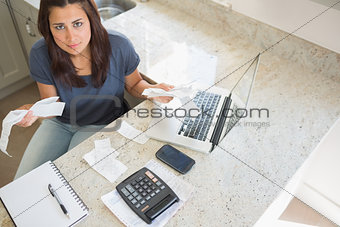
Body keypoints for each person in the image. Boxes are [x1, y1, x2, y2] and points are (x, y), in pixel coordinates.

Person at [14, 0, 173, 178]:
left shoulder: (119, 45)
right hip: (60, 124)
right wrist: (34, 111)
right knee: (22, 181)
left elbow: (135, 84)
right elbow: (51, 104)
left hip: (101, 123)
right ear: (47, 27)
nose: (71, 37)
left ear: (92, 19)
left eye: (78, 24)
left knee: (70, 179)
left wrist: (152, 90)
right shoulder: (40, 53)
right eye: (59, 27)